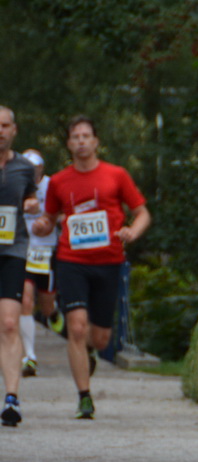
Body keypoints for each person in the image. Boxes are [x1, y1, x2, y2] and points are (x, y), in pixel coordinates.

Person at [39, 116, 150, 420]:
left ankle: (88, 351)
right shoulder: (59, 181)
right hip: (71, 261)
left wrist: (132, 232)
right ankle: (84, 397)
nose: (81, 141)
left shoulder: (116, 175)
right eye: (75, 137)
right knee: (76, 327)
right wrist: (41, 224)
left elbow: (141, 213)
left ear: (96, 141)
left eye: (86, 136)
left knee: (100, 338)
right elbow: (49, 218)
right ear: (69, 144)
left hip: (109, 262)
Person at [0, 106, 39, 428]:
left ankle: (11, 398)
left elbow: (31, 199)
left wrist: (31, 204)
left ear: (14, 130)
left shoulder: (25, 168)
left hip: (12, 251)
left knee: (10, 323)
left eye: (4, 125)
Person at [19, 149, 54, 377]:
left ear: (42, 168)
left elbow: (64, 214)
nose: (32, 173)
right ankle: (29, 356)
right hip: (23, 251)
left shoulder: (52, 186)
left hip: (48, 251)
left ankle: (55, 314)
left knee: (47, 306)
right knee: (26, 300)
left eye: (35, 168)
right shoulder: (14, 185)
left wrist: (47, 220)